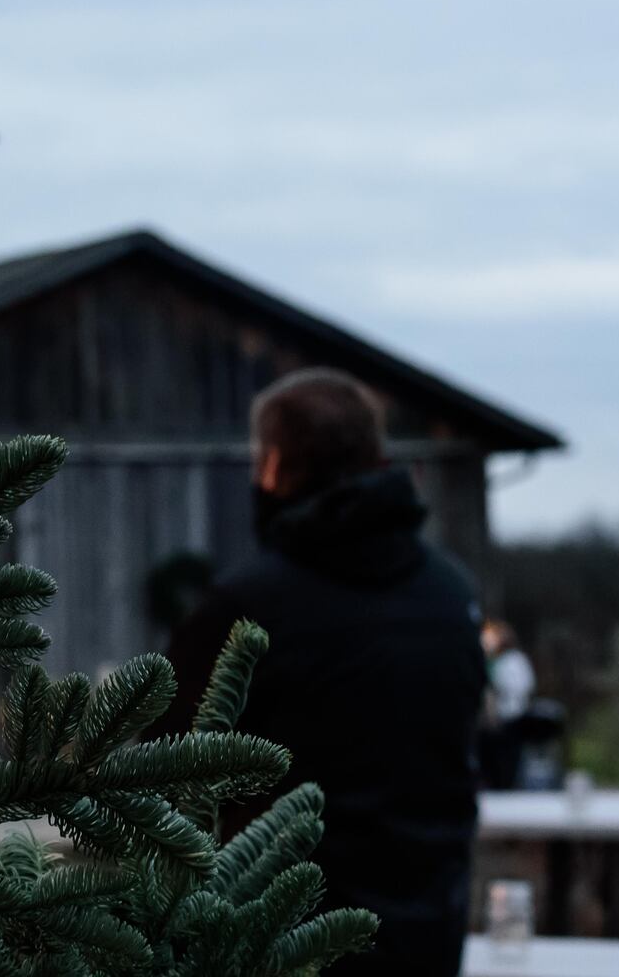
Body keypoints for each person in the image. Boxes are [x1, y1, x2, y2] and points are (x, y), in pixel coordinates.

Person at [157, 367, 487, 977]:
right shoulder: (453, 596)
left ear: (276, 466)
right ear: (378, 457)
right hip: (430, 938)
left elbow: (159, 778)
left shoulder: (244, 607)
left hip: (277, 945)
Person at [477, 619, 537, 789]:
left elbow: (517, 687)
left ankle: (506, 786)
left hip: (509, 718)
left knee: (507, 760)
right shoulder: (493, 661)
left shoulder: (511, 661)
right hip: (494, 720)